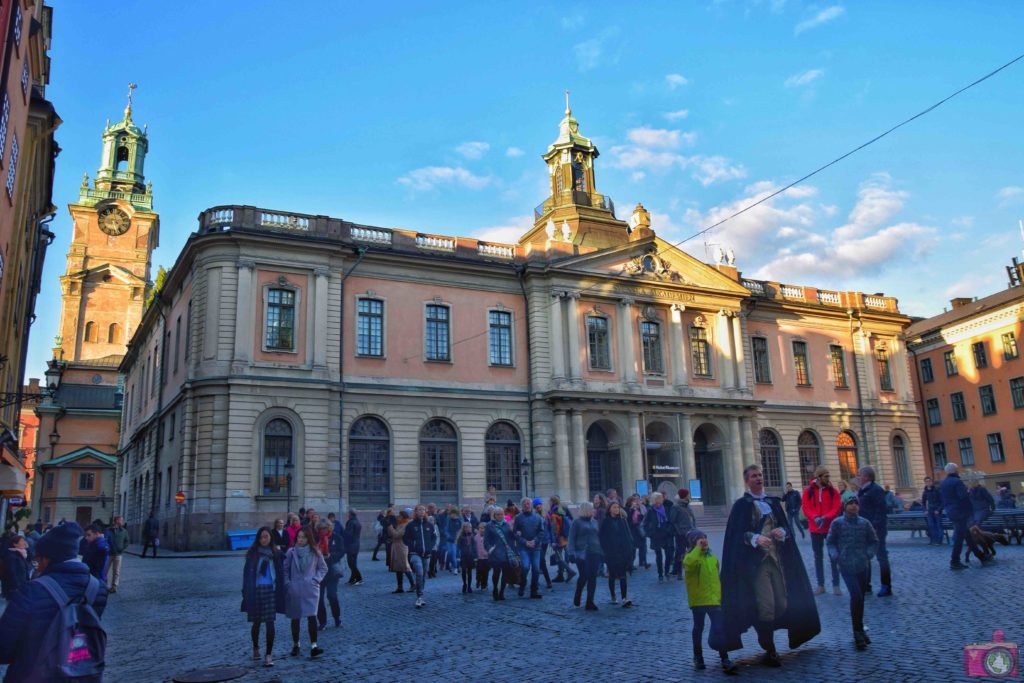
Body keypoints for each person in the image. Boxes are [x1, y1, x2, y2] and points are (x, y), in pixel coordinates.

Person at [719, 464, 820, 667]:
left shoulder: (773, 503)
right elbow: (736, 535)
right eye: (754, 476)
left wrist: (782, 533)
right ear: (747, 480)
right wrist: (754, 537)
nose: (758, 478)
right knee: (766, 605)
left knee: (782, 603)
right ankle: (770, 648)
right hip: (756, 564)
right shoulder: (742, 505)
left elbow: (785, 527)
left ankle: (765, 635)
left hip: (778, 560)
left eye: (760, 475)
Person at [0, 523, 108, 681]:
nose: (38, 564)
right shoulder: (99, 588)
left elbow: (4, 646)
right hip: (79, 673)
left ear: (49, 558)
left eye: (39, 558)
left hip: (32, 674)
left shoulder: (32, 590)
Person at [827, 497, 878, 651]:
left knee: (860, 598)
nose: (854, 506)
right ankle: (857, 632)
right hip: (846, 565)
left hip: (862, 565)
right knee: (855, 596)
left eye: (856, 503)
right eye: (851, 503)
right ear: (845, 506)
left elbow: (874, 541)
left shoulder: (865, 523)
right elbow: (830, 542)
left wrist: (868, 554)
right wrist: (836, 556)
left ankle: (860, 628)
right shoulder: (837, 523)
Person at [684, 529, 737, 674]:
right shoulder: (690, 557)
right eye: (699, 539)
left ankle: (725, 658)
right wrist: (697, 548)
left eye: (704, 538)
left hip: (714, 600)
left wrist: (719, 596)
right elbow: (689, 564)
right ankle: (698, 656)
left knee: (719, 629)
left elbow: (716, 578)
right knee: (698, 628)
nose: (703, 541)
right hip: (698, 601)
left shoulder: (712, 557)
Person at [242, 527, 285, 667]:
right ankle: (255, 647)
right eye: (261, 537)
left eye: (266, 537)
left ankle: (268, 654)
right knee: (256, 622)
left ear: (270, 538)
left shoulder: (276, 554)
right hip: (255, 591)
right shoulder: (253, 554)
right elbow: (246, 574)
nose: (264, 539)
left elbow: (281, 574)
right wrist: (245, 592)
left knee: (270, 622)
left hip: (270, 591)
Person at [284, 526, 327, 658]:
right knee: (295, 618)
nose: (301, 539)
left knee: (312, 616)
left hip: (310, 588)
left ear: (308, 538)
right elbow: (284, 569)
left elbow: (323, 568)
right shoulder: (291, 552)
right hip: (295, 588)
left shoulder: (316, 552)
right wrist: (287, 583)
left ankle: (314, 645)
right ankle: (296, 645)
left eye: (303, 537)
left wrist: (316, 580)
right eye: (299, 537)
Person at [801, 466, 842, 596]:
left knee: (833, 557)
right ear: (818, 477)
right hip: (815, 528)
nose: (828, 479)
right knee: (817, 557)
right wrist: (815, 517)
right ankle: (820, 585)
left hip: (830, 528)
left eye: (828, 476)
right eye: (826, 476)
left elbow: (836, 507)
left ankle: (836, 585)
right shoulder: (808, 492)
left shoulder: (833, 491)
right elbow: (806, 508)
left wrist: (826, 517)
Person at [856, 466, 892, 596]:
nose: (858, 477)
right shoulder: (862, 490)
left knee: (881, 557)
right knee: (865, 557)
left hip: (876, 529)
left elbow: (881, 511)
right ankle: (866, 585)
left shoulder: (876, 490)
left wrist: (875, 527)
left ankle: (886, 586)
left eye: (859, 475)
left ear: (866, 477)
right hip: (864, 528)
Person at [940, 463, 983, 570]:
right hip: (960, 512)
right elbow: (963, 497)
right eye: (957, 469)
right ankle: (954, 561)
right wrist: (968, 509)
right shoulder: (957, 482)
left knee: (967, 535)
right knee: (959, 538)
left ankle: (981, 556)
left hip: (951, 511)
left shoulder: (943, 483)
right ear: (955, 471)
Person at [599, 500, 635, 607]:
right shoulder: (606, 522)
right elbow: (602, 538)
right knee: (612, 575)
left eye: (617, 507)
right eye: (614, 507)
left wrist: (630, 549)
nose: (616, 509)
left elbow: (628, 536)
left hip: (622, 552)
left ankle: (624, 598)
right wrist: (605, 551)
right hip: (611, 553)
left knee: (623, 575)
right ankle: (613, 595)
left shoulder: (622, 521)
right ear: (610, 509)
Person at [568, 501, 602, 611]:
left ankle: (590, 602)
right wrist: (571, 553)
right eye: (592, 508)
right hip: (581, 553)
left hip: (595, 552)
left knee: (593, 577)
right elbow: (571, 538)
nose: (594, 510)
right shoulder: (577, 522)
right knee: (584, 576)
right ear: (587, 509)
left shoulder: (595, 522)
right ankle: (577, 597)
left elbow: (598, 537)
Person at [404, 505, 438, 609]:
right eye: (419, 510)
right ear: (415, 512)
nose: (421, 511)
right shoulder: (411, 525)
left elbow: (434, 537)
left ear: (425, 512)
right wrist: (412, 546)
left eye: (423, 510)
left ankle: (421, 595)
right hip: (415, 553)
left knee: (423, 576)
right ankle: (419, 596)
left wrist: (430, 546)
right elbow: (405, 539)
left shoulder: (429, 525)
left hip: (427, 554)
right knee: (419, 572)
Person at [512, 497, 544, 599]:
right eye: (525, 504)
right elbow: (515, 533)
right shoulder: (518, 518)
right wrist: (525, 542)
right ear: (522, 506)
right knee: (525, 567)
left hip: (536, 547)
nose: (527, 505)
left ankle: (534, 590)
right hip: (523, 547)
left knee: (536, 568)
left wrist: (535, 541)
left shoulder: (538, 517)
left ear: (531, 505)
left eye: (528, 503)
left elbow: (541, 531)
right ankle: (522, 584)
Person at [484, 508, 516, 601]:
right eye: (497, 514)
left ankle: (502, 592)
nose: (499, 516)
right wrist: (489, 549)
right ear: (494, 515)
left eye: (501, 514)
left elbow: (512, 538)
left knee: (505, 574)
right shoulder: (490, 525)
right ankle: (495, 589)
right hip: (495, 553)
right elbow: (486, 540)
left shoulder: (507, 524)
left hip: (506, 553)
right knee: (496, 573)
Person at [316, 521, 343, 629]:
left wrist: (331, 556)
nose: (323, 530)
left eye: (325, 528)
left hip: (332, 571)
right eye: (321, 528)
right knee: (319, 598)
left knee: (332, 595)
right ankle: (322, 621)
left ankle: (337, 618)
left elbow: (342, 551)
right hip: (319, 572)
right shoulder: (316, 539)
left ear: (329, 528)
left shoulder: (336, 537)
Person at [643, 492, 673, 582]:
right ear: (654, 500)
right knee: (658, 555)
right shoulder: (650, 510)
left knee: (669, 554)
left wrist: (670, 530)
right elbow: (645, 523)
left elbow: (671, 520)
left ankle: (667, 571)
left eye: (661, 498)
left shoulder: (667, 509)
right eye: (658, 498)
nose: (660, 500)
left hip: (667, 534)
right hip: (656, 535)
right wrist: (650, 533)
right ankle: (660, 573)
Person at [547, 496, 576, 583]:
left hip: (558, 537)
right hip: (566, 536)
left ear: (552, 501)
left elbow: (554, 528)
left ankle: (568, 572)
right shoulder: (563, 508)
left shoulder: (553, 512)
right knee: (565, 556)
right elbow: (571, 519)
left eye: (549, 501)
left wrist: (553, 540)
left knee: (558, 557)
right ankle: (564, 574)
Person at [670, 488, 696, 579]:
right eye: (687, 494)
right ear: (684, 495)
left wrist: (694, 529)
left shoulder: (688, 506)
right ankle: (679, 572)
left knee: (692, 551)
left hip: (691, 533)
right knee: (680, 552)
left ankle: (691, 569)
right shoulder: (676, 507)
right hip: (681, 533)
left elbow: (692, 518)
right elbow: (673, 520)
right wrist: (679, 531)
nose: (689, 496)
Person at [389, 510, 414, 592]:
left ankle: (413, 584)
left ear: (403, 517)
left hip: (402, 547)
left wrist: (390, 527)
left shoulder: (406, 525)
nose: (398, 518)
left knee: (404, 566)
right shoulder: (400, 524)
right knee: (398, 567)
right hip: (396, 547)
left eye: (399, 516)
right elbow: (392, 535)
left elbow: (397, 535)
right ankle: (400, 587)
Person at [105, 516, 128, 593]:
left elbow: (127, 541)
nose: (122, 522)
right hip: (108, 554)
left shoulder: (124, 531)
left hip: (118, 554)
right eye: (121, 520)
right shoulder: (108, 530)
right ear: (116, 521)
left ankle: (114, 587)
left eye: (122, 520)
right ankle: (104, 585)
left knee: (116, 571)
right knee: (104, 570)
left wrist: (122, 548)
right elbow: (105, 540)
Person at [626, 494, 649, 569]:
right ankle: (631, 563)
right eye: (634, 500)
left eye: (637, 499)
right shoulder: (628, 508)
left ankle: (643, 561)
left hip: (640, 529)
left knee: (643, 545)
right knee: (633, 547)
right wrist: (632, 509)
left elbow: (644, 517)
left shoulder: (641, 507)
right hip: (632, 530)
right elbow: (628, 518)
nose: (636, 501)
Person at [921, 477, 945, 545]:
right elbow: (923, 502)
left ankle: (939, 541)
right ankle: (933, 540)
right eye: (926, 481)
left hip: (937, 510)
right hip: (930, 510)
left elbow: (943, 501)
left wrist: (938, 510)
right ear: (925, 483)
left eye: (929, 481)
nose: (928, 482)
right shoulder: (925, 491)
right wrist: (924, 510)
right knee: (931, 525)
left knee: (938, 525)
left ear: (932, 482)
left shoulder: (937, 490)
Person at [456, 522, 477, 594]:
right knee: (464, 571)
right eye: (468, 527)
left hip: (470, 556)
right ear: (464, 528)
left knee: (470, 572)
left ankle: (469, 586)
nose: (469, 529)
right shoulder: (461, 537)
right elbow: (458, 547)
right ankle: (464, 584)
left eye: (470, 527)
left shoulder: (472, 536)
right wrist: (458, 556)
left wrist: (475, 556)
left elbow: (474, 546)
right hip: (463, 556)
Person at [343, 509, 363, 585]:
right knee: (353, 563)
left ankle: (359, 578)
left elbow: (348, 535)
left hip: (351, 545)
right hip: (356, 544)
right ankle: (352, 579)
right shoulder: (357, 521)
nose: (347, 515)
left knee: (351, 563)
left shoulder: (351, 522)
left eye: (348, 513)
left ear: (351, 514)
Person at [473, 522, 490, 590]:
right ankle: (478, 580)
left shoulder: (488, 537)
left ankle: (484, 585)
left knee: (485, 572)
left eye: (483, 528)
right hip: (479, 558)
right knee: (479, 571)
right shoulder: (476, 537)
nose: (482, 530)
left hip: (487, 557)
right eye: (480, 528)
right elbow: (474, 547)